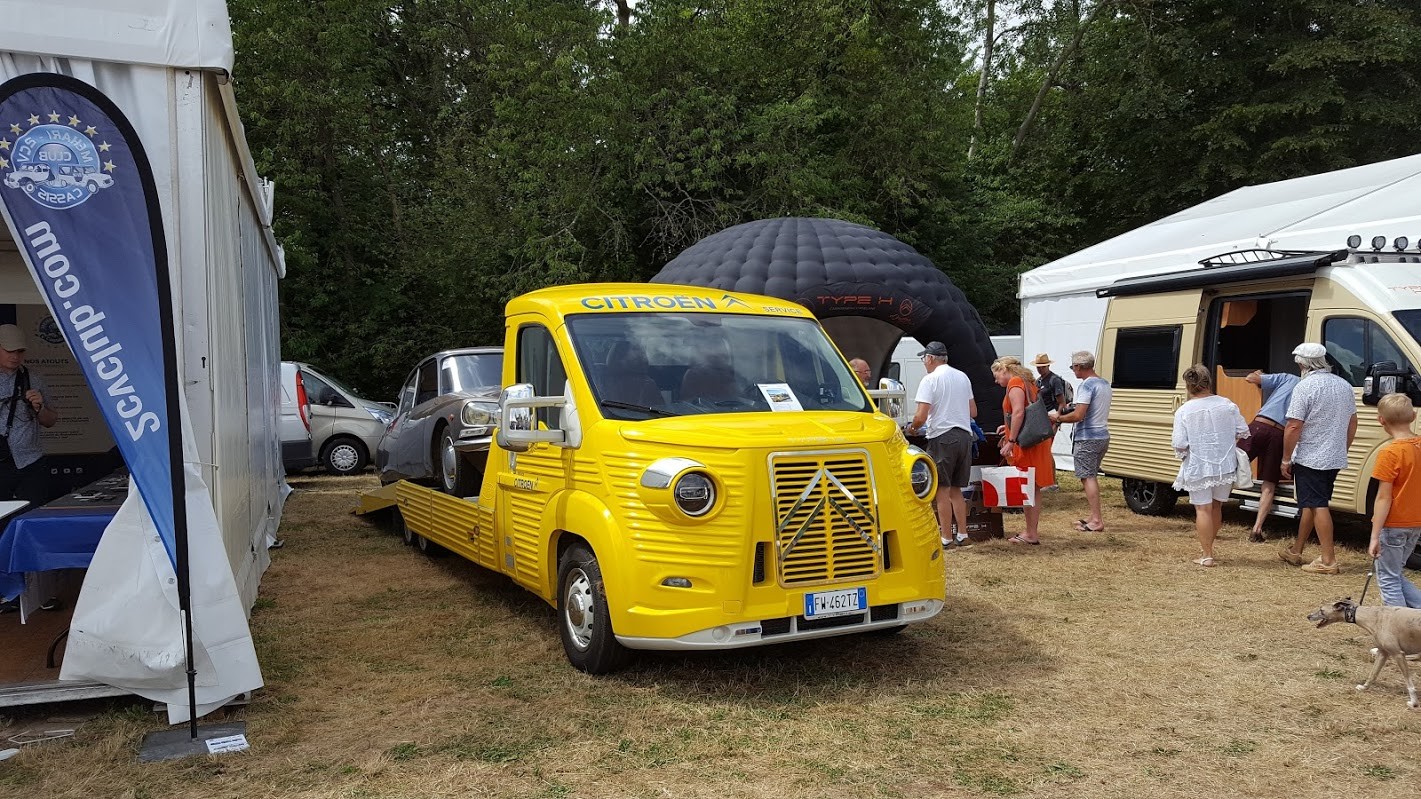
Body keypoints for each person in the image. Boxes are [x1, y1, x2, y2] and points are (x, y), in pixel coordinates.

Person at [1279, 342, 1357, 575]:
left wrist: (1285, 458)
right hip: (1334, 455)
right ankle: (1296, 549)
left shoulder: (1305, 387)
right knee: (1312, 503)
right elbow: (1353, 422)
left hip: (1311, 455)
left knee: (1317, 504)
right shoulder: (1344, 385)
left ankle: (1328, 560)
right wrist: (1342, 448)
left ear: (1302, 364)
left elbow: (1294, 425)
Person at [1171, 364, 1249, 567]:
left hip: (1199, 464)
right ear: (1209, 382)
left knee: (1202, 509)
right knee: (1216, 507)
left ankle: (1207, 554)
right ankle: (1209, 548)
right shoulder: (1227, 404)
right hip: (1224, 463)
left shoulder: (1184, 410)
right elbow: (1243, 430)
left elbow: (1179, 443)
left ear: (1188, 385)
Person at [905, 341, 977, 548]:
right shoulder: (962, 376)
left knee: (941, 489)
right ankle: (963, 534)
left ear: (930, 358)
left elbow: (921, 415)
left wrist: (913, 429)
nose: (924, 363)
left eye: (923, 359)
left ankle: (946, 537)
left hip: (943, 437)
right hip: (965, 436)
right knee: (957, 490)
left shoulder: (930, 380)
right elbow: (973, 412)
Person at [992, 356, 1057, 544]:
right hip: (1035, 440)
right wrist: (1009, 427)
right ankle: (1031, 531)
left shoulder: (1014, 382)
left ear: (1004, 370)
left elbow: (1019, 411)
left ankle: (1031, 533)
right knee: (1033, 487)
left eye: (997, 376)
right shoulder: (1028, 382)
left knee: (1029, 487)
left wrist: (1011, 440)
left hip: (1027, 444)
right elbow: (1027, 412)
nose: (997, 381)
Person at [1047, 351, 1112, 532]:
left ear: (1078, 367)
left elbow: (1078, 415)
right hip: (1102, 435)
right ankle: (1093, 515)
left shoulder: (1086, 385)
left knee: (1087, 476)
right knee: (1091, 475)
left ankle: (1097, 520)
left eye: (1073, 367)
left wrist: (1057, 419)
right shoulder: (1104, 383)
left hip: (1087, 437)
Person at [1367, 393, 1421, 607]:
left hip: (1393, 525)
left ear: (1381, 420)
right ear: (1414, 415)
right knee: (1395, 573)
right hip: (1415, 524)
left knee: (1388, 580)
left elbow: (1383, 497)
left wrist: (1374, 535)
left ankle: (1396, 634)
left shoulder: (1389, 453)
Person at [1237, 368, 1301, 542]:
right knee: (1269, 483)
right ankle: (1257, 530)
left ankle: (1211, 514)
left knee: (1231, 468)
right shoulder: (1312, 390)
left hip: (1260, 426)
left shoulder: (1287, 377)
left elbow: (1250, 378)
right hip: (1280, 434)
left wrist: (1260, 374)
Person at [0, 324, 59, 505]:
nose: (15, 356)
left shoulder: (35, 379)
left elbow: (50, 421)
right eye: (9, 350)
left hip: (30, 462)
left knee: (32, 513)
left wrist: (39, 408)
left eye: (20, 351)